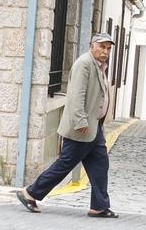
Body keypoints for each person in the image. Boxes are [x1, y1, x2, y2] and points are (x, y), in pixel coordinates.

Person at [14, 33, 119, 218]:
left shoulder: (99, 66)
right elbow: (76, 95)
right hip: (82, 128)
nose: (105, 51)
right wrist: (80, 122)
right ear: (92, 45)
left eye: (108, 48)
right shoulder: (84, 64)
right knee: (64, 165)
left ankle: (99, 206)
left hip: (95, 127)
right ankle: (30, 193)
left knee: (100, 165)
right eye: (102, 47)